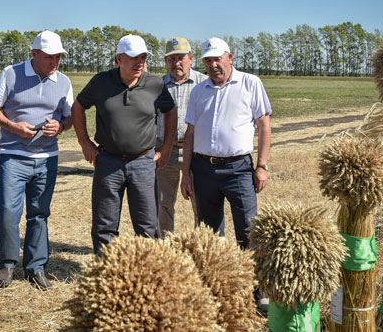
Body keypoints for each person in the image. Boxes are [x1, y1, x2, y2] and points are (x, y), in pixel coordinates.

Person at [72, 34, 177, 255]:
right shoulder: (101, 82)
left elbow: (171, 111)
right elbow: (78, 107)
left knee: (147, 225)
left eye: (143, 58)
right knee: (104, 225)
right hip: (108, 162)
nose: (140, 63)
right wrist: (85, 143)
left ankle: (149, 274)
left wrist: (166, 147)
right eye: (134, 58)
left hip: (143, 162)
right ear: (119, 58)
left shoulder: (155, 85)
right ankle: (107, 273)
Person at [0, 30, 73, 290]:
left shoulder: (64, 81)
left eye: (59, 57)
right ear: (34, 53)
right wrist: (14, 127)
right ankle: (7, 264)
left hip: (47, 157)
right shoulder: (11, 73)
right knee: (7, 211)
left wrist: (59, 126)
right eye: (50, 56)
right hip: (13, 155)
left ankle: (36, 267)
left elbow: (70, 118)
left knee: (39, 214)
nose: (55, 62)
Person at [180, 37, 271, 249]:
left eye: (217, 59)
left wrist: (261, 166)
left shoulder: (250, 83)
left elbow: (264, 126)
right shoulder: (198, 91)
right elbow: (190, 134)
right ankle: (216, 278)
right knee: (209, 235)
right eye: (208, 61)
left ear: (229, 58)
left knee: (248, 231)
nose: (213, 65)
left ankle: (249, 279)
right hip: (204, 170)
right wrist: (186, 173)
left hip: (238, 169)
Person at [155, 37, 207, 238]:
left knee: (200, 203)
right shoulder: (157, 85)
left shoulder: (204, 83)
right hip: (164, 151)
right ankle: (166, 247)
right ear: (166, 61)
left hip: (196, 152)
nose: (176, 62)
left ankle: (202, 245)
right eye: (171, 58)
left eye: (181, 58)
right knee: (163, 203)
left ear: (191, 58)